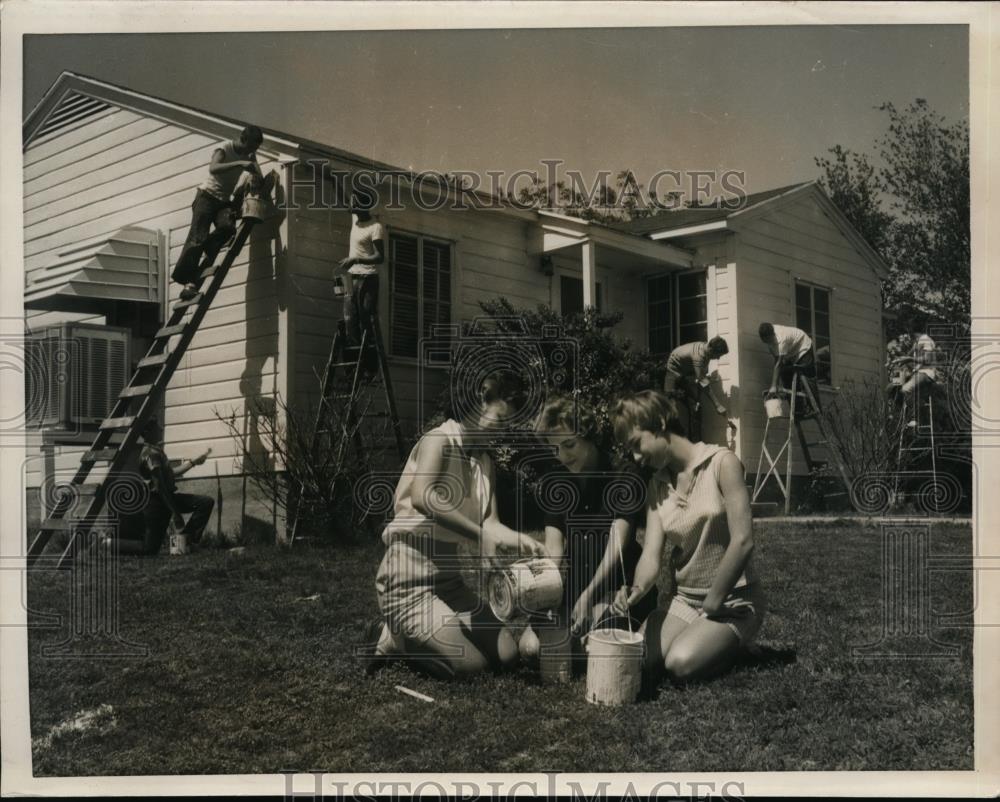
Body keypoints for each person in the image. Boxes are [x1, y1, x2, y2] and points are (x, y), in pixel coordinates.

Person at [360, 371, 546, 679]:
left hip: (449, 583)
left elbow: (492, 524)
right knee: (471, 665)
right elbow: (424, 496)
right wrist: (479, 536)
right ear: (479, 399)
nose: (503, 432)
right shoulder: (439, 440)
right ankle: (391, 638)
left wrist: (523, 541)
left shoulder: (484, 461)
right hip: (407, 582)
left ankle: (421, 631)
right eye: (500, 420)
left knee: (508, 653)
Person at [610, 390, 765, 684]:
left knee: (679, 664)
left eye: (636, 444)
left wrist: (714, 603)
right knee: (640, 661)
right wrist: (637, 589)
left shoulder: (722, 463)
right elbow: (650, 555)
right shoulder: (657, 485)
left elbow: (743, 540)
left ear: (659, 424)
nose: (636, 457)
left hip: (733, 601)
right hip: (684, 600)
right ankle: (704, 639)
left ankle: (737, 645)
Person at [520, 396, 658, 667]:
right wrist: (542, 589)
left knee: (593, 648)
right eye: (554, 449)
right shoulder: (556, 481)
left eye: (569, 445)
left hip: (617, 586)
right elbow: (554, 551)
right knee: (530, 648)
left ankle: (616, 626)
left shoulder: (623, 475)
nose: (562, 456)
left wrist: (589, 596)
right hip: (573, 586)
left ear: (589, 435)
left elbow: (616, 549)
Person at [171, 125, 265, 299]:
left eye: (255, 149)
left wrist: (254, 179)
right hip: (206, 197)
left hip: (222, 201)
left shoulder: (249, 154)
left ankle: (207, 245)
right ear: (243, 140)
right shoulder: (225, 147)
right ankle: (187, 283)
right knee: (197, 239)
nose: (252, 152)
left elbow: (257, 173)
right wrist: (239, 163)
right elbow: (213, 168)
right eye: (251, 147)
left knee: (228, 228)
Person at [106, 418, 213, 556]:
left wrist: (193, 463)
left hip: (167, 497)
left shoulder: (157, 451)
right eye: (158, 428)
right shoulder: (150, 454)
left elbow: (171, 474)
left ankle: (188, 541)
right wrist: (175, 513)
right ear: (148, 432)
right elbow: (160, 486)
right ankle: (107, 544)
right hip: (156, 502)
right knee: (149, 550)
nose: (162, 429)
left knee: (205, 502)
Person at [337, 191, 385, 348]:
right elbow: (343, 199)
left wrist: (356, 260)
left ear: (363, 206)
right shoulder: (355, 220)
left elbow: (379, 257)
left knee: (366, 320)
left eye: (354, 202)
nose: (351, 205)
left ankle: (368, 366)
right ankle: (353, 368)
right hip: (351, 278)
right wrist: (332, 179)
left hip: (368, 278)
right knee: (349, 319)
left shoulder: (375, 227)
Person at [662, 337, 735, 440]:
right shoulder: (699, 355)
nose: (718, 358)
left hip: (684, 374)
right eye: (718, 355)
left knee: (695, 406)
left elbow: (701, 378)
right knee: (673, 411)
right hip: (672, 374)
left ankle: (694, 444)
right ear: (711, 350)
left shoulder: (706, 350)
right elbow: (703, 382)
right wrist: (717, 405)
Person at [758, 322, 820, 411]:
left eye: (769, 340)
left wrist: (774, 386)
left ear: (772, 335)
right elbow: (777, 362)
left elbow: (778, 363)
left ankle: (815, 407)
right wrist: (776, 384)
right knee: (786, 375)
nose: (768, 343)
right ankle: (798, 410)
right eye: (765, 341)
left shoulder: (781, 338)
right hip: (791, 352)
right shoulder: (769, 338)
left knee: (807, 377)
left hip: (803, 346)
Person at [888, 333, 939, 416]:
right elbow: (907, 356)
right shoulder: (916, 342)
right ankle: (898, 415)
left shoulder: (925, 339)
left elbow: (927, 359)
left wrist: (909, 359)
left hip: (926, 372)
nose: (904, 340)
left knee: (905, 390)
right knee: (891, 388)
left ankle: (912, 417)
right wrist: (896, 357)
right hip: (915, 372)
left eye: (905, 337)